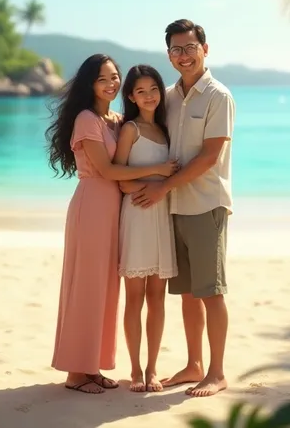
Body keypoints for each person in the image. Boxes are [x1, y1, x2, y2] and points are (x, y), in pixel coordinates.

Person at [46, 54, 178, 395]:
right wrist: (161, 172)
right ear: (91, 84)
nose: (111, 84)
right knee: (87, 287)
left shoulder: (116, 120)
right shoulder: (87, 120)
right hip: (92, 205)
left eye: (115, 77)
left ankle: (92, 366)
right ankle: (76, 373)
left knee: (107, 289)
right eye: (103, 79)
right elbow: (107, 171)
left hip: (116, 210)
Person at [122, 20, 235, 397]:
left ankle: (216, 372)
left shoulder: (218, 96)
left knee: (211, 291)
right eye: (176, 50)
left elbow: (208, 157)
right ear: (168, 55)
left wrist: (162, 187)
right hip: (171, 209)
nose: (184, 56)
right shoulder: (167, 96)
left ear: (205, 49)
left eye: (190, 48)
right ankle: (193, 364)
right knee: (187, 292)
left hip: (206, 204)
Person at [115, 65, 178, 393]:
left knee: (157, 298)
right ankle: (136, 369)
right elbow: (120, 180)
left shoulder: (168, 130)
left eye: (154, 88)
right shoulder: (130, 129)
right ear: (130, 96)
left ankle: (153, 370)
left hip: (161, 216)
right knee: (134, 298)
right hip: (138, 216)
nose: (149, 95)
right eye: (141, 91)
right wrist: (155, 173)